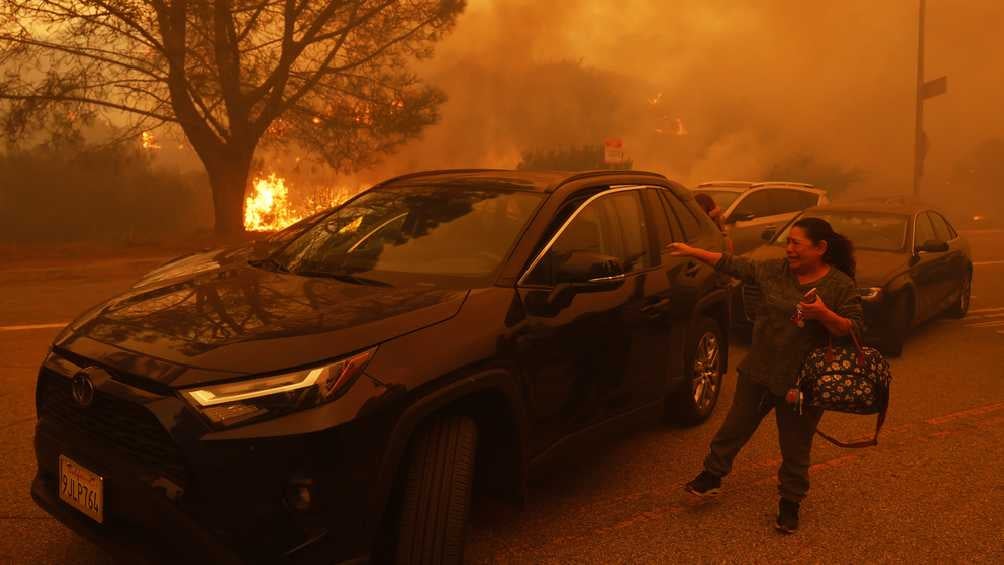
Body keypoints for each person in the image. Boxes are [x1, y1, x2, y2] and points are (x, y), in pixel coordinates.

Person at [666, 217, 863, 534]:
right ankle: (712, 476)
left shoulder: (839, 285)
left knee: (795, 447)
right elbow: (734, 265)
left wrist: (824, 314)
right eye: (788, 242)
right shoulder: (773, 270)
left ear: (821, 248)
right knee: (734, 429)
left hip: (803, 385)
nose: (789, 249)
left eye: (796, 243)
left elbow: (855, 330)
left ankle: (790, 503)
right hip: (759, 371)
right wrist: (692, 251)